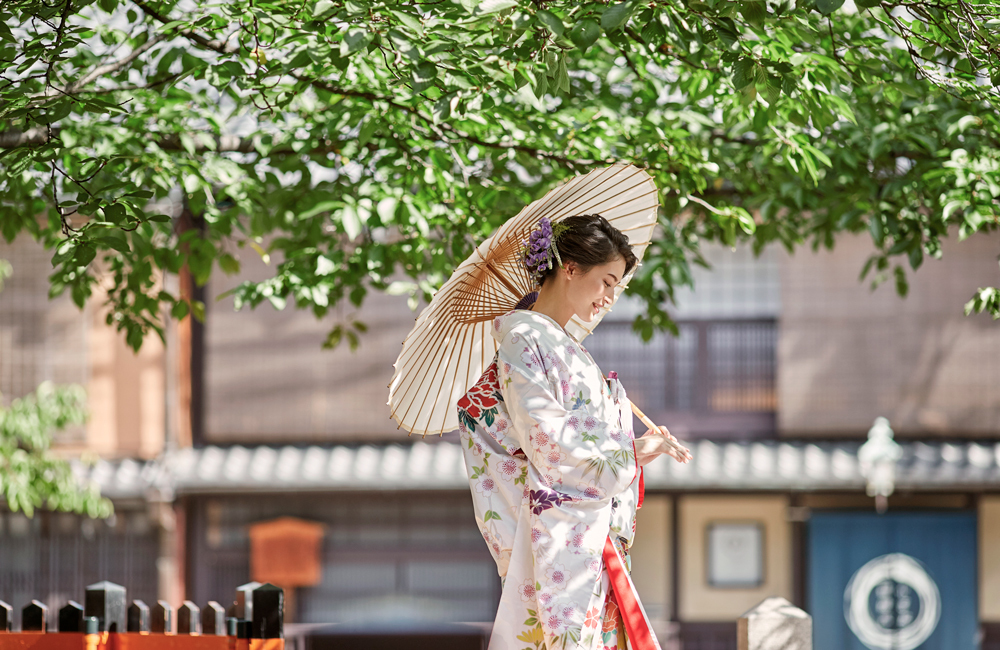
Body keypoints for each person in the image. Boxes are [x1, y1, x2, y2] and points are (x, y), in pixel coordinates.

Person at [457, 214, 690, 650]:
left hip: (588, 534)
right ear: (570, 269)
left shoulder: (561, 343)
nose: (610, 297)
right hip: (565, 538)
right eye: (607, 281)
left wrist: (619, 417)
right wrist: (632, 451)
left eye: (617, 287)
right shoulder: (522, 337)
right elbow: (547, 443)